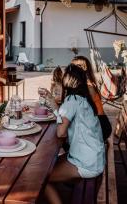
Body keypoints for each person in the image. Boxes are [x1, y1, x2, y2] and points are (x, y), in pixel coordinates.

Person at [45, 64, 105, 204]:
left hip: (86, 162)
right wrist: (56, 108)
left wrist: (55, 108)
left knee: (42, 179)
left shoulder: (72, 100)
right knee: (49, 164)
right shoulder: (83, 99)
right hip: (94, 156)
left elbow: (60, 133)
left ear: (68, 81)